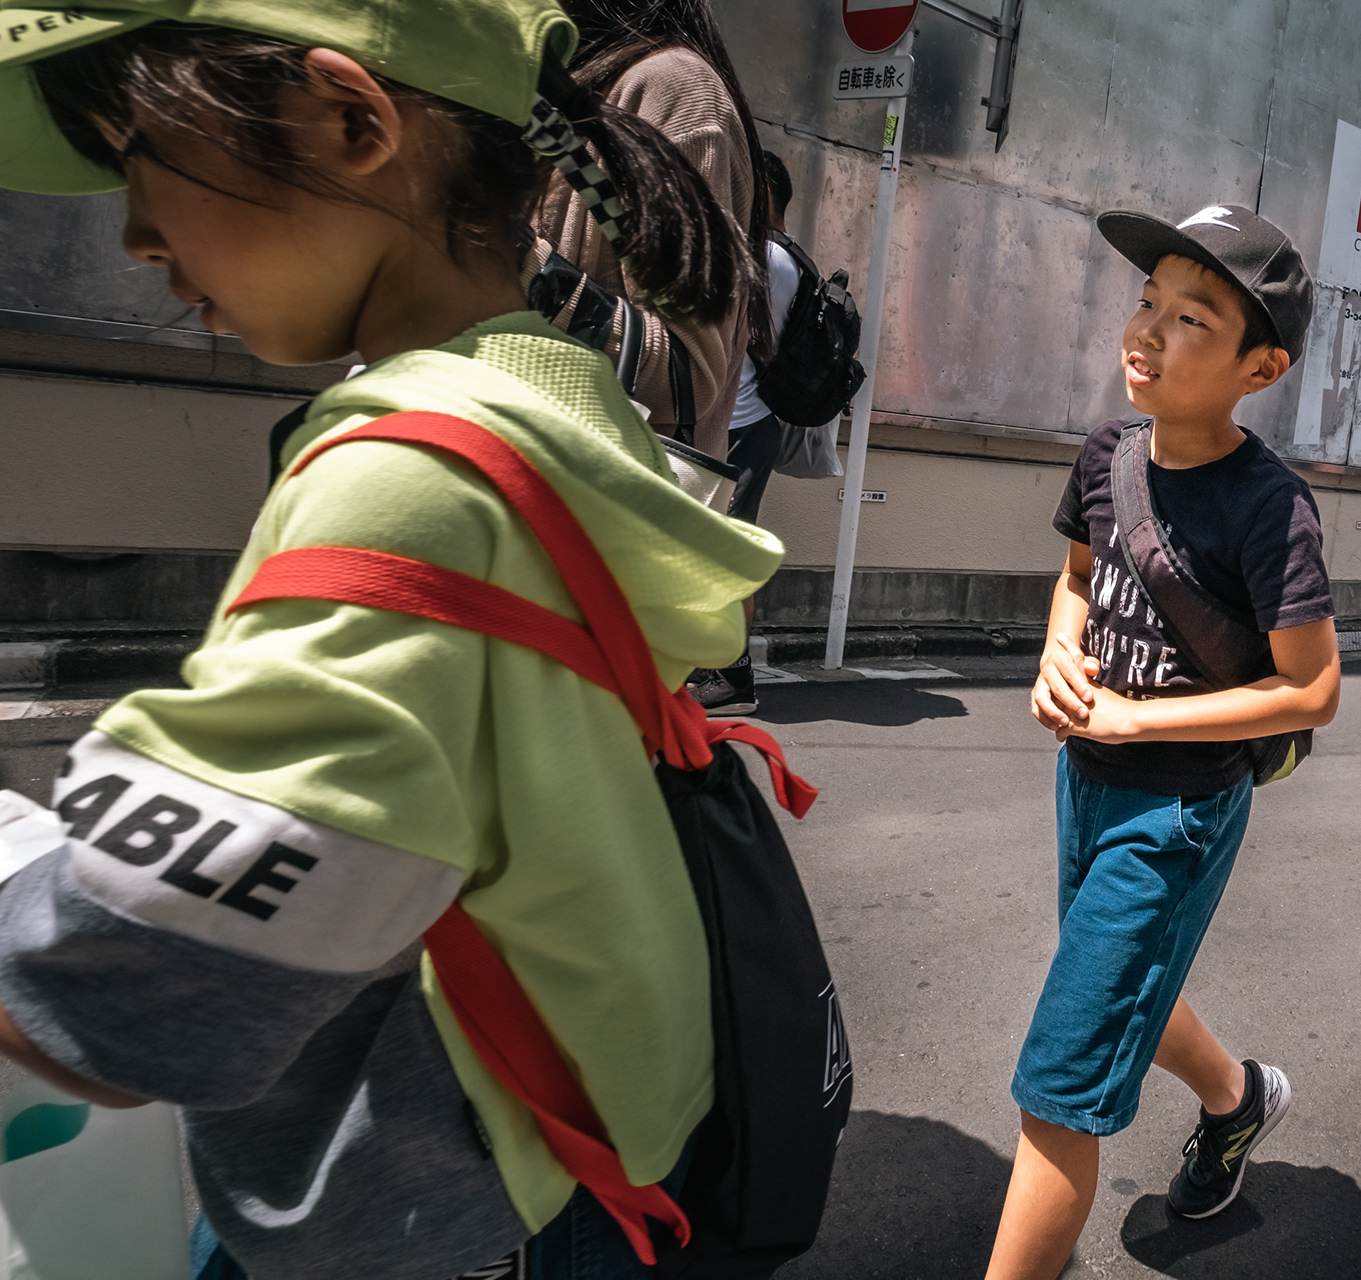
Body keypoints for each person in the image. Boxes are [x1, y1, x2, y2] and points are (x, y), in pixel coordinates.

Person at [0, 5, 783, 1278]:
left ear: (353, 120)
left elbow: (144, 976)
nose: (135, 232)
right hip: (596, 1127)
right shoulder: (553, 398)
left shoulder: (406, 481)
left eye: (141, 153)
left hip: (449, 1186)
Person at [992, 204, 1338, 1279]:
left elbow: (1313, 686)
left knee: (1060, 1086)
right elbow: (1079, 575)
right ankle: (1237, 1098)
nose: (1146, 329)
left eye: (1191, 318)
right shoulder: (1109, 454)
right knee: (1120, 984)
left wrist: (1141, 716)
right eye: (1148, 301)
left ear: (1261, 368)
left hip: (1177, 812)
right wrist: (1059, 652)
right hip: (1083, 781)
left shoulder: (1271, 507)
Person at [537, 0, 769, 464]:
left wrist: (514, 266)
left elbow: (687, 378)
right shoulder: (544, 90)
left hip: (600, 489)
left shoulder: (672, 86)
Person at [689, 151, 802, 716]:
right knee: (711, 550)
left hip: (737, 424)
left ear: (760, 192)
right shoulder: (782, 257)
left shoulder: (767, 257)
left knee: (726, 554)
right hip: (739, 424)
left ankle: (732, 678)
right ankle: (709, 664)